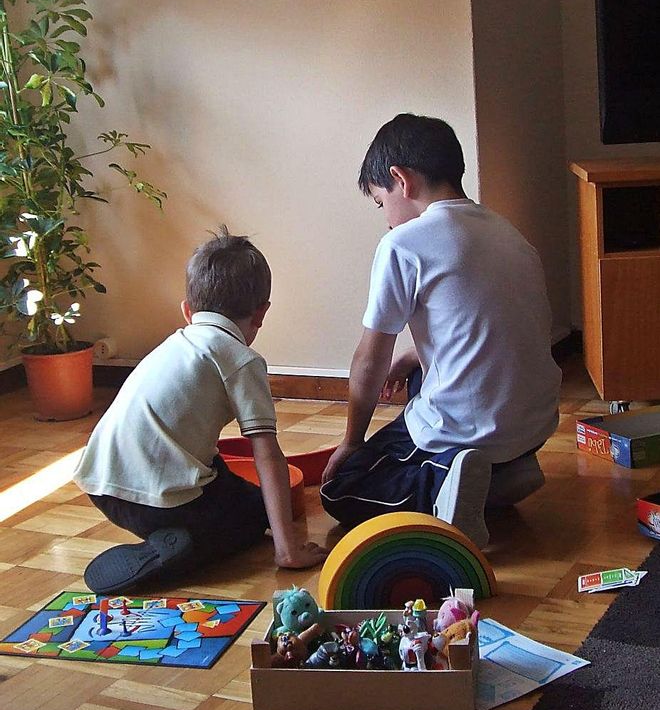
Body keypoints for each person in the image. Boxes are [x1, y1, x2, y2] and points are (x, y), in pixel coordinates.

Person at [320, 113, 562, 548]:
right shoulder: (510, 235)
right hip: (532, 427)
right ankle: (504, 475)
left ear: (401, 179)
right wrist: (415, 355)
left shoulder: (403, 244)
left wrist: (352, 442)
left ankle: (440, 488)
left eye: (380, 202)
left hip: (468, 428)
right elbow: (492, 325)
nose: (386, 218)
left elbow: (369, 359)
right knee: (416, 373)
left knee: (341, 489)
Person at [74, 227, 327, 593]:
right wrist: (286, 549)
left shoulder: (175, 343)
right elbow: (267, 453)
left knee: (236, 490)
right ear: (261, 313)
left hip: (103, 485)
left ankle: (174, 531)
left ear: (187, 309)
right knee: (253, 519)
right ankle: (179, 548)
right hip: (159, 501)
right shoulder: (241, 359)